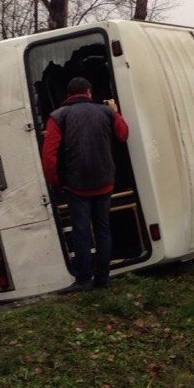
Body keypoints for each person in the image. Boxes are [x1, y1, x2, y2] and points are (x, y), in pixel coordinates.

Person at [41, 76, 129, 293]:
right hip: (105, 182)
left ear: (68, 95)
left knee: (81, 231)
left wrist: (57, 183)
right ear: (89, 92)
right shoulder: (106, 112)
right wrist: (115, 110)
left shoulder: (57, 117)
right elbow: (123, 134)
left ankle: (83, 280)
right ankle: (103, 279)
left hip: (76, 186)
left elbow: (49, 157)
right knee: (103, 230)